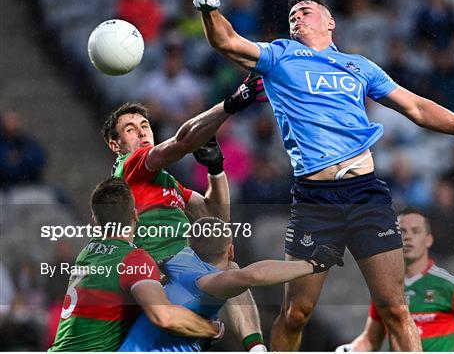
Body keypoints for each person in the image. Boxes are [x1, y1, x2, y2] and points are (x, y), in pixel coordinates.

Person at [192, 0, 454, 351]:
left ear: (330, 22)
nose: (297, 16)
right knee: (296, 312)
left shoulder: (359, 66)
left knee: (395, 309)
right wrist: (209, 11)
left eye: (306, 10)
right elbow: (227, 42)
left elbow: (416, 107)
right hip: (314, 198)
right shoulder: (279, 55)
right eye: (292, 14)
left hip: (365, 193)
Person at [102, 77, 268, 351]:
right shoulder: (131, 166)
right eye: (131, 130)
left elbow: (214, 216)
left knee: (230, 269)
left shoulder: (166, 182)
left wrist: (216, 170)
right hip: (160, 270)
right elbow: (181, 143)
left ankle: (257, 348)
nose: (143, 133)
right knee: (233, 273)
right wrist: (230, 105)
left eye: (145, 126)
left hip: (184, 268)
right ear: (115, 145)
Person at [120, 217, 343, 352]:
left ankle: (256, 348)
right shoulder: (206, 282)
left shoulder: (178, 259)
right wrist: (313, 264)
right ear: (231, 250)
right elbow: (251, 276)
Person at [49, 178, 220, 351]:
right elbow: (164, 317)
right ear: (135, 215)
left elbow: (114, 290)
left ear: (95, 218)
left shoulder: (87, 252)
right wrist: (211, 329)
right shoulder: (134, 259)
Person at [335, 207, 454, 352]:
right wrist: (348, 350)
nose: (407, 237)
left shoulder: (450, 286)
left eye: (415, 231)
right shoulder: (384, 288)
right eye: (401, 231)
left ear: (428, 240)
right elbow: (371, 340)